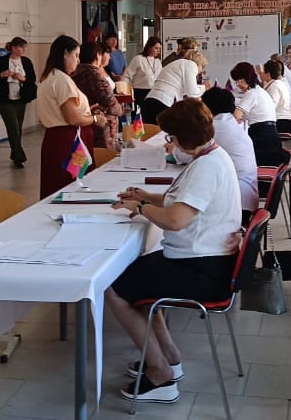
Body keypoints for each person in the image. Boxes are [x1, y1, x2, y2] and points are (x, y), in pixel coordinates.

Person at [106, 99, 243, 404]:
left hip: (203, 269)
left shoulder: (206, 167)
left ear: (184, 138)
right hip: (206, 258)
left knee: (115, 290)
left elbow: (176, 220)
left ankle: (161, 374)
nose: (171, 143)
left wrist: (140, 207)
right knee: (138, 284)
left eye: (172, 137)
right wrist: (146, 197)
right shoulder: (212, 156)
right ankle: (168, 357)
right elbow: (183, 202)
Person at [36, 35, 107, 198]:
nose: (78, 60)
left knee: (60, 184)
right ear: (64, 54)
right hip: (69, 142)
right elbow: (73, 119)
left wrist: (86, 111)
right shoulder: (62, 80)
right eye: (76, 55)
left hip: (57, 138)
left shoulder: (50, 77)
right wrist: (96, 119)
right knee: (72, 186)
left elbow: (65, 111)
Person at [175, 88, 258, 225]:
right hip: (244, 196)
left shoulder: (216, 127)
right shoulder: (230, 123)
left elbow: (183, 154)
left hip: (236, 205)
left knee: (182, 214)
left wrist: (174, 146)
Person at [0, 36, 37, 168]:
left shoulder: (26, 62)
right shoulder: (2, 61)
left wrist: (23, 78)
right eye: (21, 47)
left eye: (24, 47)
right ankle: (19, 157)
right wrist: (2, 75)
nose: (24, 50)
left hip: (21, 99)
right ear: (14, 48)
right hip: (5, 100)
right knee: (12, 127)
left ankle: (14, 153)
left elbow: (32, 78)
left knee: (18, 128)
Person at [230, 62, 288, 167]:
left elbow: (236, 116)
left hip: (262, 139)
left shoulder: (252, 94)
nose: (238, 85)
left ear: (246, 79)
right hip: (270, 136)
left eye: (239, 81)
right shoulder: (258, 91)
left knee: (236, 150)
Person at [71, 42, 123, 150]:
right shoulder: (95, 76)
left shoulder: (74, 74)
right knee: (104, 156)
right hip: (101, 126)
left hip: (84, 122)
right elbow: (110, 103)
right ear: (97, 55)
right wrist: (120, 109)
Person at [142, 49, 208, 124]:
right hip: (162, 103)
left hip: (150, 101)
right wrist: (205, 87)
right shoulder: (191, 65)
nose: (201, 71)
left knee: (150, 130)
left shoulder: (178, 64)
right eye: (202, 67)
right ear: (199, 62)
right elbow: (192, 93)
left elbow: (186, 91)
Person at [122, 36, 163, 105]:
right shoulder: (138, 59)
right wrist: (123, 91)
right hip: (140, 92)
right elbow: (127, 76)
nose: (158, 51)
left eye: (159, 49)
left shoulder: (158, 62)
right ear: (149, 47)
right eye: (156, 48)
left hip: (154, 92)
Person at [262, 59, 291, 133]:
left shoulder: (274, 86)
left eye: (263, 72)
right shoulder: (277, 83)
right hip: (282, 120)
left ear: (268, 74)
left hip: (281, 123)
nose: (262, 74)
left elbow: (271, 107)